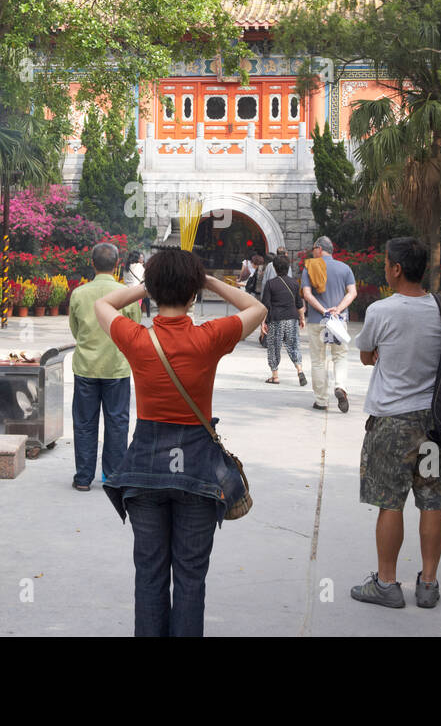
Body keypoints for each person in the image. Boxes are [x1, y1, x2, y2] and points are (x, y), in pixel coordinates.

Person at [96, 249, 267, 636]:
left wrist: (148, 284)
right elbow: (256, 308)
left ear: (152, 293)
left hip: (144, 470)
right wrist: (205, 280)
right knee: (191, 576)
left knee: (149, 573)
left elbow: (104, 303)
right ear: (193, 294)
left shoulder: (136, 338)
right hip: (197, 470)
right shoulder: (209, 337)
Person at [350, 238, 441, 610]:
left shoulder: (380, 310)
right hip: (434, 421)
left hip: (392, 422)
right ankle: (428, 583)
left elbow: (365, 355)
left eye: (386, 263)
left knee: (391, 504)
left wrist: (382, 353)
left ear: (396, 269)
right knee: (430, 501)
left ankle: (387, 584)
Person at [67, 243, 142, 491]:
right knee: (117, 423)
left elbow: (76, 331)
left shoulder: (79, 293)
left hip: (86, 368)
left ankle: (83, 478)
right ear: (118, 265)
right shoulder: (127, 294)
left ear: (92, 263)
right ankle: (113, 476)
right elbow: (134, 331)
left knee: (85, 423)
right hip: (117, 368)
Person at [301, 236, 358, 412]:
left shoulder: (310, 267)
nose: (312, 252)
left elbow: (307, 295)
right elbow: (352, 293)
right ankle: (340, 386)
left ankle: (321, 400)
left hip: (318, 321)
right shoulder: (345, 268)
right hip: (338, 321)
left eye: (313, 248)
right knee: (340, 356)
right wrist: (337, 310)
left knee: (318, 360)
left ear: (319, 248)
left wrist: (324, 310)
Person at [262, 255, 306, 386]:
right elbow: (299, 303)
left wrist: (262, 322)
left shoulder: (270, 284)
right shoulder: (294, 283)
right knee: (294, 345)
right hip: (292, 318)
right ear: (288, 267)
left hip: (276, 319)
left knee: (274, 347)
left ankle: (275, 376)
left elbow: (265, 305)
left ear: (274, 268)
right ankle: (299, 370)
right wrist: (302, 318)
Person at [123, 249, 150, 317]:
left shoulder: (126, 267)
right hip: (136, 293)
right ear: (136, 258)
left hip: (126, 292)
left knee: (128, 313)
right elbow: (145, 278)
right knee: (135, 314)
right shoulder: (139, 266)